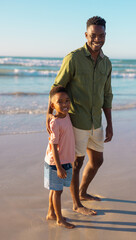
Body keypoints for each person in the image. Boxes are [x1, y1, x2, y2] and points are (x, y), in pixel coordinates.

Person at [46, 16, 113, 216]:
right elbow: (57, 87)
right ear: (86, 35)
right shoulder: (73, 58)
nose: (97, 39)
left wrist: (110, 123)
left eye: (101, 35)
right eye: (93, 35)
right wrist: (50, 117)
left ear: (105, 36)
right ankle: (76, 204)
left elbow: (107, 94)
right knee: (77, 163)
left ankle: (82, 192)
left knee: (98, 160)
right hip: (77, 120)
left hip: (96, 121)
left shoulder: (106, 63)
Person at [44, 86, 75, 229]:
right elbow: (54, 147)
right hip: (56, 163)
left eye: (67, 101)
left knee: (54, 189)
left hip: (63, 161)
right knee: (58, 191)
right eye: (60, 102)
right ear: (53, 105)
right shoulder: (55, 122)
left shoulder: (66, 115)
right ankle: (59, 219)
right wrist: (58, 167)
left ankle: (51, 213)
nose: (64, 105)